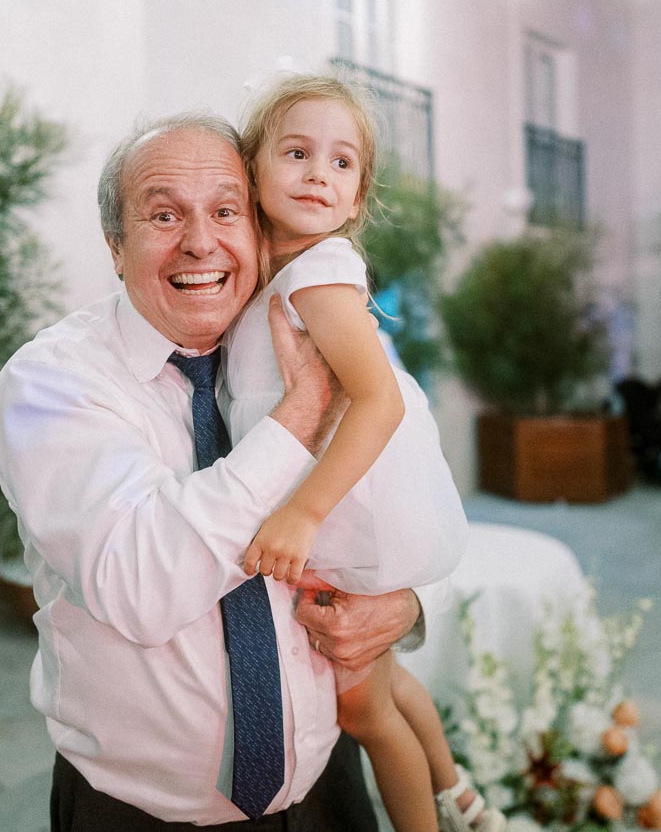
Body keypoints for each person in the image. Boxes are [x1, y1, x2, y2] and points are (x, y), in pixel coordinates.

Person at [0, 112, 456, 830]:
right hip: (143, 815)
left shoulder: (303, 328)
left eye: (225, 211)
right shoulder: (53, 383)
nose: (200, 242)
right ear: (116, 246)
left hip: (329, 787)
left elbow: (404, 484)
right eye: (165, 214)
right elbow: (141, 585)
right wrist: (297, 419)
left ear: (258, 229)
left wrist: (409, 605)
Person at [225, 74, 501, 832]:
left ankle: (429, 820)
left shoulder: (318, 275)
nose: (320, 172)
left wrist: (303, 514)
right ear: (253, 169)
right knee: (382, 681)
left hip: (351, 509)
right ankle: (460, 793)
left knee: (364, 709)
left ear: (357, 200)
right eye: (297, 152)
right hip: (353, 504)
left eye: (342, 163)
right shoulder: (275, 280)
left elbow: (376, 399)